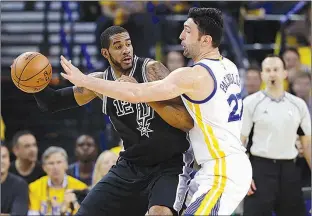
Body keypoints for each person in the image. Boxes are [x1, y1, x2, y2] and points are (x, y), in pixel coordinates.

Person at [60, 7, 252, 215]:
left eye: (187, 31)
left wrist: (85, 81)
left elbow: (135, 93)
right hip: (221, 167)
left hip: (221, 171)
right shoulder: (229, 67)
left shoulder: (194, 75)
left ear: (205, 40)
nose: (181, 35)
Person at [31, 26, 194, 215]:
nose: (126, 50)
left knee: (160, 213)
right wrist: (32, 82)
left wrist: (142, 93)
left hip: (170, 163)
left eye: (129, 44)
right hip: (132, 164)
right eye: (118, 46)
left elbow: (186, 121)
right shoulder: (100, 83)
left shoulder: (151, 70)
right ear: (105, 53)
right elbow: (52, 103)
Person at [241, 55, 311, 216]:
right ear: (262, 75)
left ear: (285, 73)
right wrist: (244, 175)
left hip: (289, 170)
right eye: (268, 70)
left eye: (276, 70)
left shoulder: (298, 104)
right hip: (260, 170)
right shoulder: (250, 103)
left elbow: (307, 144)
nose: (272, 74)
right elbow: (239, 142)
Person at [28, 146, 88, 216]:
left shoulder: (80, 188)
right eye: (51, 163)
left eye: (59, 162)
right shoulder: (34, 187)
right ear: (44, 167)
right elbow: (33, 213)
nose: (55, 167)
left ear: (66, 164)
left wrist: (74, 203)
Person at [1, 143, 29, 216]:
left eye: (4, 157)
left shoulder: (20, 184)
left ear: (9, 160)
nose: (1, 161)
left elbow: (19, 214)